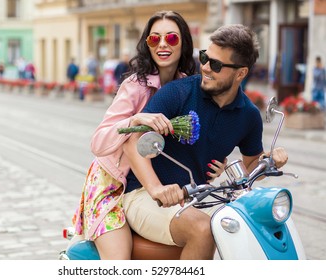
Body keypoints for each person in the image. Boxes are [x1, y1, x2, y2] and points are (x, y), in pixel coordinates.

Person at [122, 24, 289, 260]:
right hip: (143, 195)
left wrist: (270, 159)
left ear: (240, 73)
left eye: (216, 64)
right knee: (203, 229)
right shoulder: (178, 93)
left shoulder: (249, 115)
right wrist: (156, 189)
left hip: (194, 199)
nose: (206, 68)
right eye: (204, 58)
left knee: (242, 226)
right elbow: (132, 143)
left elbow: (252, 165)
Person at [71, 11, 226, 260]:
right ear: (147, 45)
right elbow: (98, 142)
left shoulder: (188, 87)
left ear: (184, 42)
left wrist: (217, 162)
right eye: (155, 39)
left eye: (171, 39)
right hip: (112, 186)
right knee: (119, 262)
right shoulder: (135, 86)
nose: (163, 45)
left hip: (154, 187)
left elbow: (198, 135)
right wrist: (134, 119)